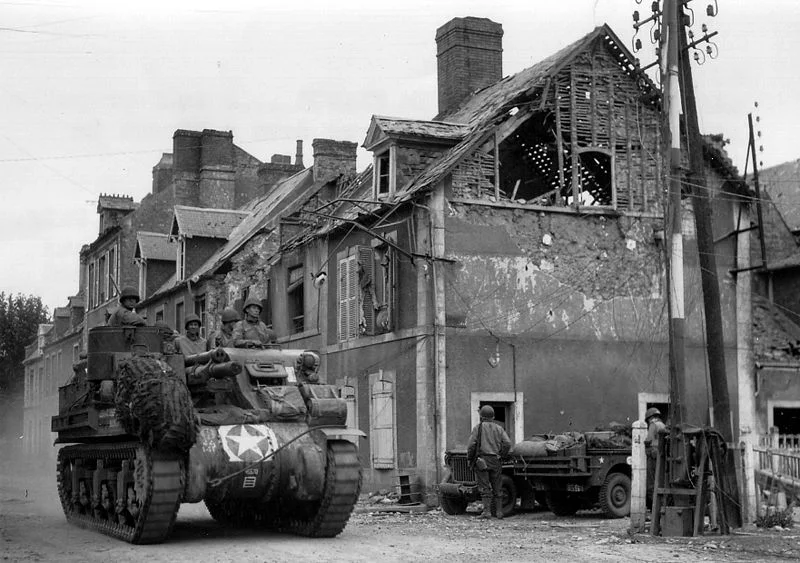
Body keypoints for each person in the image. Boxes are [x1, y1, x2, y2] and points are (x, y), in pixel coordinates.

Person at [466, 405, 511, 519]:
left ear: (481, 416)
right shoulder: (499, 428)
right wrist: (502, 454)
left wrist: (470, 458)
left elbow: (471, 445)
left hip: (482, 460)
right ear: (493, 416)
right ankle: (499, 512)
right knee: (497, 486)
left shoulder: (478, 428)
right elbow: (507, 443)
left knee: (484, 487)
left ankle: (487, 512)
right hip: (496, 460)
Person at [644, 407, 667, 507]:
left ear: (650, 418)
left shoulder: (653, 425)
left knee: (651, 484)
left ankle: (655, 507)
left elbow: (648, 440)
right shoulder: (662, 425)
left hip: (653, 456)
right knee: (661, 481)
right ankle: (662, 506)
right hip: (662, 456)